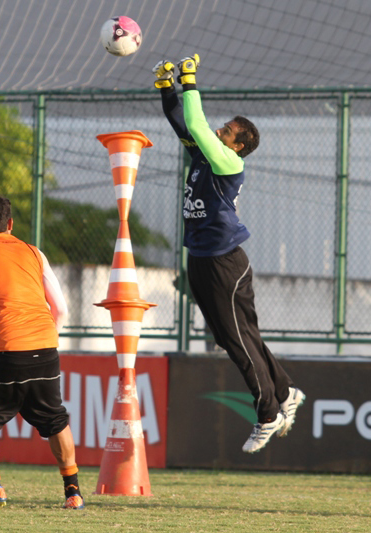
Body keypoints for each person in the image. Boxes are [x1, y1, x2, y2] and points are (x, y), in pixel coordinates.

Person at [153, 54, 305, 453]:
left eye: (227, 131)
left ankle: (269, 414)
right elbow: (182, 123)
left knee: (238, 344)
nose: (219, 132)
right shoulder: (207, 153)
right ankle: (286, 391)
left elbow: (199, 126)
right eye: (223, 128)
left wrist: (190, 80)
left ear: (239, 146)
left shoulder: (227, 161)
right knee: (237, 336)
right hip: (204, 258)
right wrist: (168, 87)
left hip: (224, 262)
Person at [0, 194, 84, 510]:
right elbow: (61, 309)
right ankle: (73, 493)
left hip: (6, 349)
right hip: (46, 347)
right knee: (54, 418)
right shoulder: (35, 252)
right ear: (10, 224)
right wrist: (45, 339)